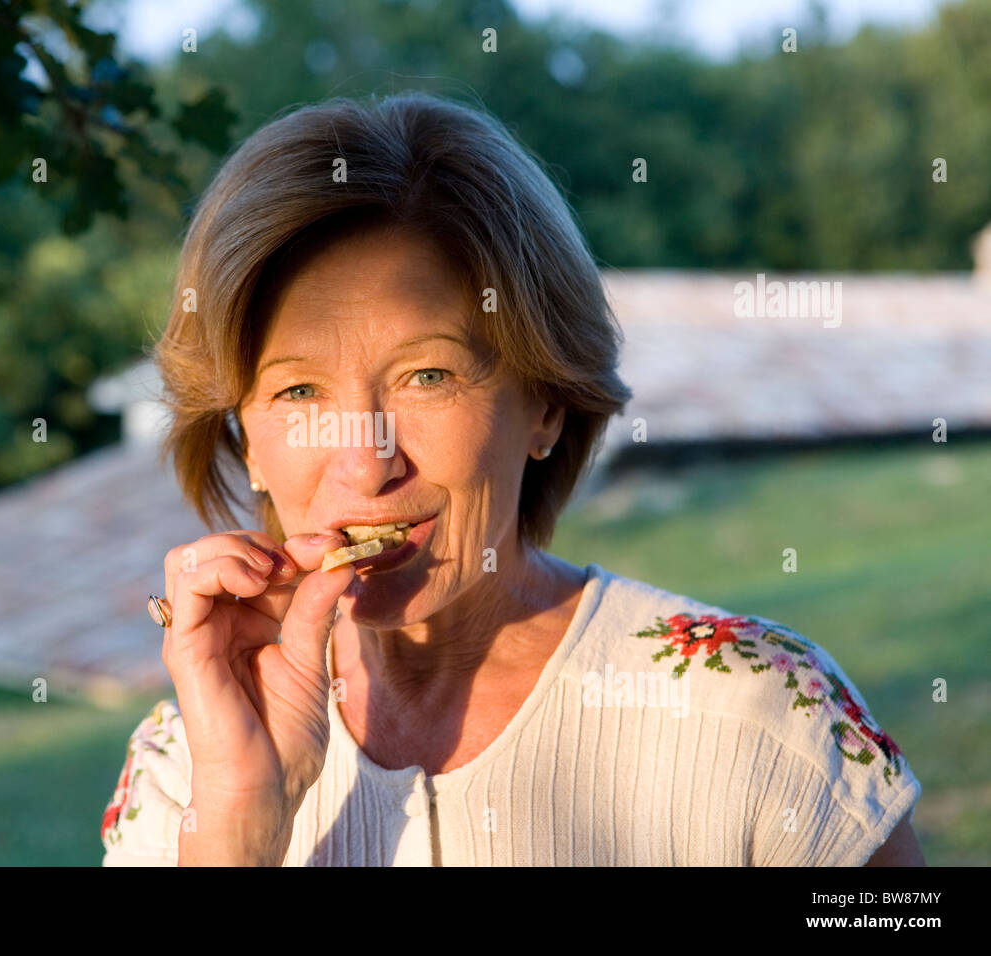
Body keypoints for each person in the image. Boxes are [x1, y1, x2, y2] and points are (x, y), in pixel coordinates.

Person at [99, 91, 923, 866]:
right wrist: (240, 823)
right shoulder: (187, 771)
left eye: (429, 376)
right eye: (298, 391)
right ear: (245, 440)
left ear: (547, 407)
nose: (363, 461)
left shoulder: (765, 718)